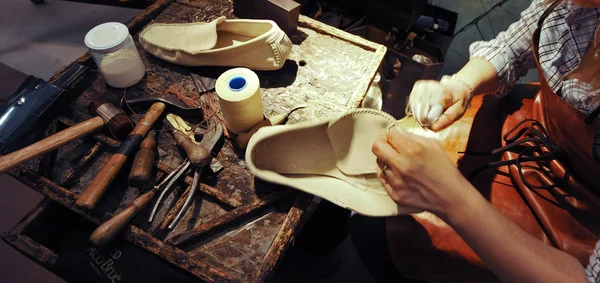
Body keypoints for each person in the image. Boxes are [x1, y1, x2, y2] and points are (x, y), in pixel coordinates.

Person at [358, 0, 600, 282]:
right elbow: (511, 47)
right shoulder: (574, 5)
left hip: (580, 214)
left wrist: (451, 197)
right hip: (528, 132)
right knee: (370, 208)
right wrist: (460, 85)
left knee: (381, 233)